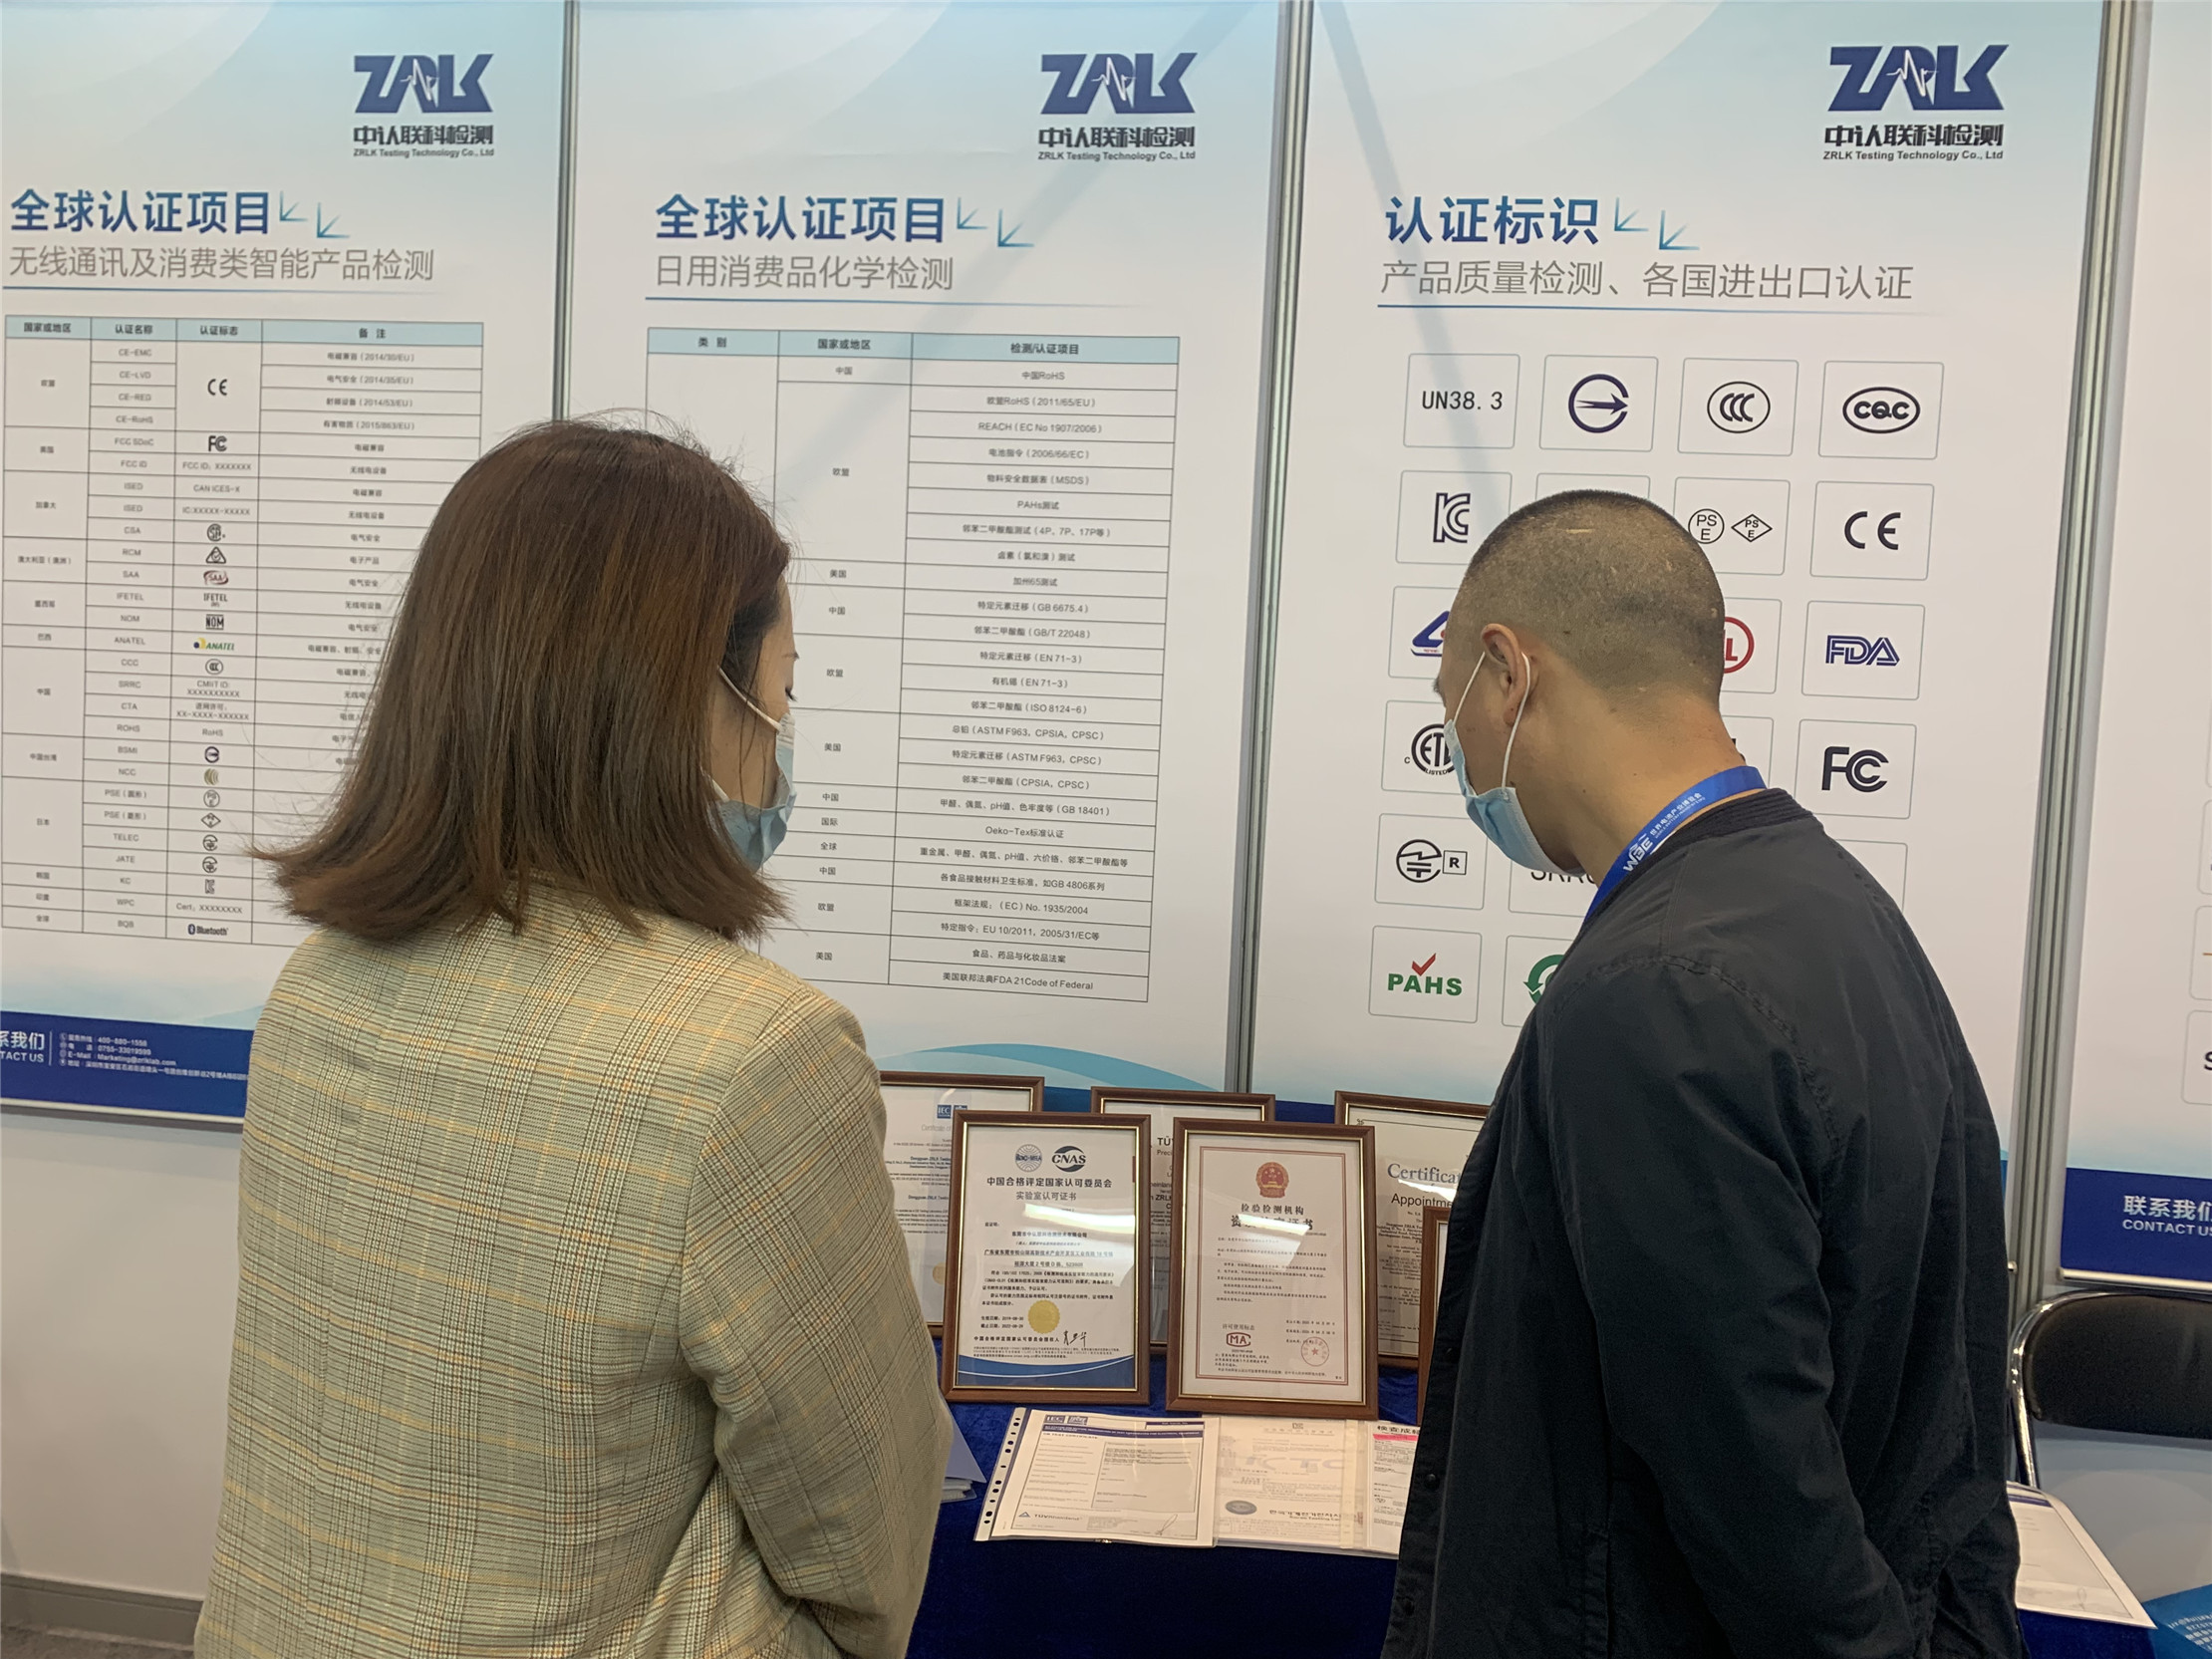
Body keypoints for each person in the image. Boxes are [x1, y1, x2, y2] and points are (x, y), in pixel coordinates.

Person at [195, 421, 950, 1659]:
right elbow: (861, 1533)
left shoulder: (320, 986)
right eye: (784, 690)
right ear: (690, 698)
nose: (781, 735)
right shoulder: (754, 1056)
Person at [1386, 492, 2018, 1658]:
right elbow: (1951, 1415)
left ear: (1509, 674)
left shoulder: (1655, 991)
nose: (1459, 756)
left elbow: (1755, 1490)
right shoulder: (1836, 908)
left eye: (1450, 707)